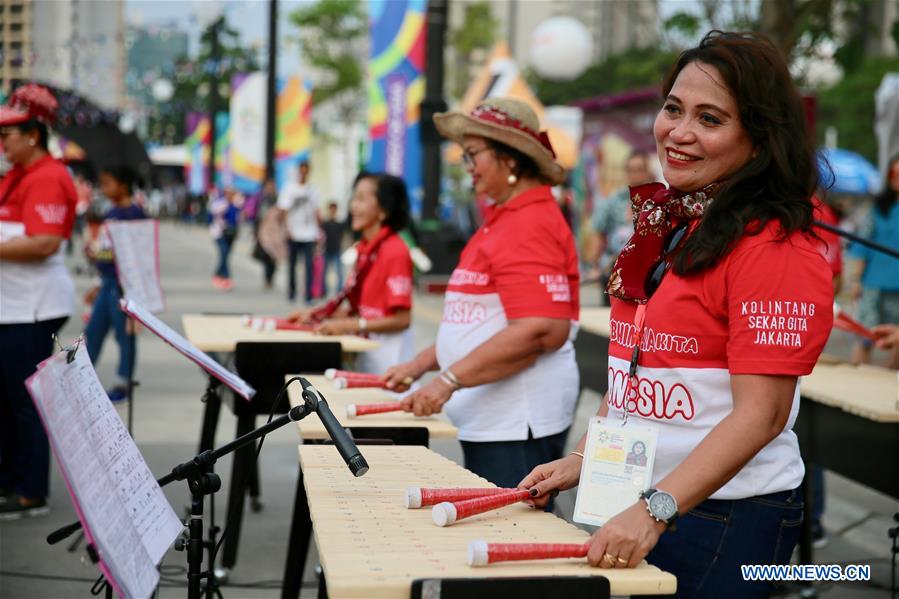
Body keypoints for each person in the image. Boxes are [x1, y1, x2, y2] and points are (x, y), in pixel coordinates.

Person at [520, 32, 833, 598]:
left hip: (726, 517)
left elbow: (762, 416)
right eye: (673, 109)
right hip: (648, 499)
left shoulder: (773, 246)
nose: (679, 133)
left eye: (710, 119)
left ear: (760, 141)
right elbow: (638, 370)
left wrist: (655, 511)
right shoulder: (674, 222)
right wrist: (582, 459)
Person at [383, 98, 580, 491]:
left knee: (517, 527)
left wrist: (447, 381)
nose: (468, 167)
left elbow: (541, 328)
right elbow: (477, 318)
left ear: (510, 159)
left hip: (516, 419)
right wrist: (422, 363)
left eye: (473, 155)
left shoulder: (529, 222)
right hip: (495, 416)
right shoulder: (505, 218)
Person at [0, 84, 77, 519]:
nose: (2, 142)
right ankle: (10, 480)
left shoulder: (48, 176)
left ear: (33, 134)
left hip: (30, 307)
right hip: (11, 306)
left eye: (8, 133)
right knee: (6, 399)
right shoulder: (18, 174)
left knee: (23, 399)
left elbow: (45, 242)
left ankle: (31, 490)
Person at [288, 172, 414, 374]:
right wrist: (315, 315)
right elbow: (363, 311)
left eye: (362, 199)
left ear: (384, 210)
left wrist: (349, 325)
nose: (353, 206)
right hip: (368, 356)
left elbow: (402, 319)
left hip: (391, 363)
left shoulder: (395, 251)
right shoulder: (366, 249)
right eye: (354, 198)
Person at [84, 165, 146, 403]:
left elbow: (140, 255)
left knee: (125, 335)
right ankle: (83, 381)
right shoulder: (111, 213)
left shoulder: (135, 214)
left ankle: (124, 381)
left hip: (124, 286)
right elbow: (106, 249)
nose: (104, 188)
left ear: (123, 184)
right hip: (107, 283)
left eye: (108, 183)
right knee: (94, 332)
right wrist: (94, 254)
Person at [849, 153, 899, 368]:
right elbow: (863, 244)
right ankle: (856, 383)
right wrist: (857, 280)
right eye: (894, 173)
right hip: (873, 284)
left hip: (897, 287)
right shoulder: (878, 207)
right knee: (865, 335)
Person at [589, 152, 654, 304]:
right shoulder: (614, 200)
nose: (635, 175)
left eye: (639, 170)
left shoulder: (657, 199)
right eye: (631, 170)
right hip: (615, 270)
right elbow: (597, 231)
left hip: (646, 273)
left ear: (648, 172)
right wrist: (595, 265)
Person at [277, 161, 321, 303]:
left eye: (306, 170)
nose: (303, 173)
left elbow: (316, 211)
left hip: (309, 232)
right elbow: (283, 210)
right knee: (292, 265)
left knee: (309, 265)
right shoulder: (289, 188)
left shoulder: (313, 189)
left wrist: (319, 231)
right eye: (301, 170)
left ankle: (308, 295)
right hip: (293, 232)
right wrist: (287, 229)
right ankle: (292, 292)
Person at [208, 186, 242, 290]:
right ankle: (227, 278)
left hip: (231, 233)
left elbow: (239, 216)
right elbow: (214, 213)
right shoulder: (219, 202)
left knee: (226, 255)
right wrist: (227, 204)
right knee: (223, 253)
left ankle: (217, 275)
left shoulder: (237, 202)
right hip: (219, 233)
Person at [321, 201, 345, 295]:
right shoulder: (325, 223)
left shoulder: (339, 224)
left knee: (339, 272)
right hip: (326, 250)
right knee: (324, 272)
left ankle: (339, 290)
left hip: (337, 250)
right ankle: (323, 290)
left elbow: (342, 236)